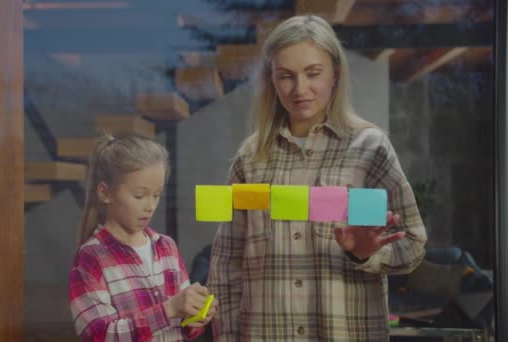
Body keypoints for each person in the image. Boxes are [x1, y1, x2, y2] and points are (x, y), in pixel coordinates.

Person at [208, 15, 427, 341]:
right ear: (271, 80)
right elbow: (227, 264)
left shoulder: (369, 149)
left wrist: (366, 253)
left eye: (313, 73)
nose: (300, 89)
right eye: (286, 77)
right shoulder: (250, 159)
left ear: (335, 75)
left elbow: (412, 245)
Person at [69, 134, 218, 341]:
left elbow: (183, 326)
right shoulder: (91, 257)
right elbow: (99, 335)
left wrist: (196, 317)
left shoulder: (167, 247)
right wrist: (168, 310)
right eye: (139, 195)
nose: (150, 206)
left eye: (156, 195)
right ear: (105, 193)